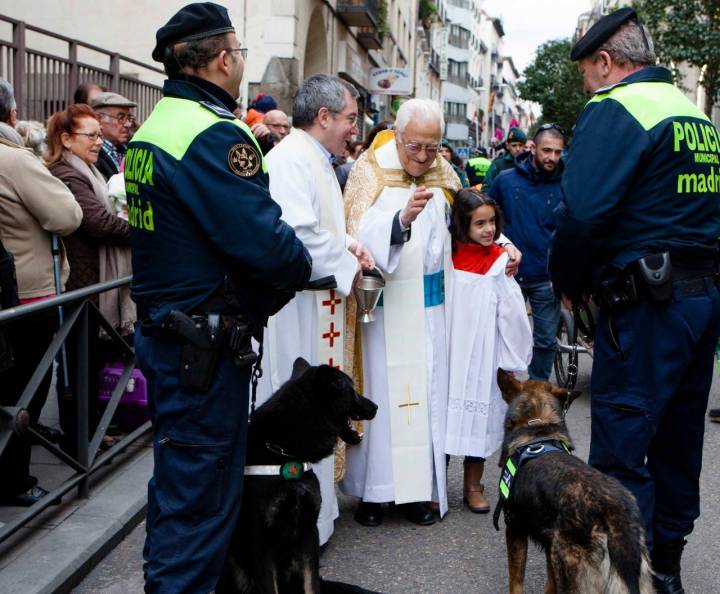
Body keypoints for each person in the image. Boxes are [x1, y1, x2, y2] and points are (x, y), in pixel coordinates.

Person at [129, 3, 311, 592]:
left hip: (171, 339)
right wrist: (293, 268)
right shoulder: (211, 134)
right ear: (223, 59)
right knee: (200, 509)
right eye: (239, 52)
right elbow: (267, 246)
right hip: (203, 352)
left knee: (179, 492)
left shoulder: (157, 126)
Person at [549, 9, 720, 594]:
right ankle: (667, 567)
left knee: (624, 447)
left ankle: (630, 576)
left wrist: (567, 279)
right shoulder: (692, 115)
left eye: (586, 76)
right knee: (678, 441)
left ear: (604, 61)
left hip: (647, 306)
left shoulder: (616, 107)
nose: (587, 89)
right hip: (699, 298)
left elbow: (581, 216)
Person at [342, 98, 521, 526]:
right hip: (385, 309)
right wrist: (398, 222)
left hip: (432, 310)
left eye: (431, 147)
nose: (423, 157)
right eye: (414, 147)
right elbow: (352, 233)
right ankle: (374, 494)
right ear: (398, 137)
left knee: (427, 402)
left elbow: (473, 224)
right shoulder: (370, 169)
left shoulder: (445, 174)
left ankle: (419, 494)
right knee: (386, 399)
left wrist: (506, 246)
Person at [256, 73, 373, 546]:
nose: (354, 129)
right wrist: (347, 260)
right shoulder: (290, 160)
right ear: (323, 117)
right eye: (349, 118)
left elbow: (319, 224)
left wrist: (348, 243)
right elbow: (296, 233)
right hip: (295, 309)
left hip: (315, 303)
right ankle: (289, 525)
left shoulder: (316, 159)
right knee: (295, 407)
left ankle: (313, 518)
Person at [0, 79, 82, 506]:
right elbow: (67, 214)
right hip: (25, 292)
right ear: (11, 115)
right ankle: (14, 481)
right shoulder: (12, 159)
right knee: (23, 391)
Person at [45, 103, 134, 455]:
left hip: (96, 279)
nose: (98, 142)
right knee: (80, 362)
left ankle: (90, 431)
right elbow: (96, 222)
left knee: (93, 360)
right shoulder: (67, 174)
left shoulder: (90, 170)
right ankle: (78, 439)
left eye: (100, 134)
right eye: (91, 135)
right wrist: (141, 231)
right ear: (66, 139)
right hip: (81, 282)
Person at [445, 190, 532, 512]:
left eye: (492, 222)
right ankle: (436, 486)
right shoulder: (445, 255)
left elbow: (512, 313)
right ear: (461, 224)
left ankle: (473, 485)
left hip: (483, 352)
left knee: (477, 423)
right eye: (479, 223)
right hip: (450, 347)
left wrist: (513, 359)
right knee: (442, 419)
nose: (487, 230)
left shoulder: (498, 260)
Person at [488, 124, 565, 380]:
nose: (551, 157)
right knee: (501, 338)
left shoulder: (568, 185)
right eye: (546, 150)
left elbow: (570, 231)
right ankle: (500, 396)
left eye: (557, 152)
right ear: (533, 147)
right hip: (508, 275)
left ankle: (537, 395)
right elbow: (487, 221)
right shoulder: (506, 181)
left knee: (545, 342)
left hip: (546, 278)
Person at [90, 91, 137, 180]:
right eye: (121, 118)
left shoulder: (131, 149)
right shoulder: (91, 153)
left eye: (129, 118)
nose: (128, 124)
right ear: (99, 119)